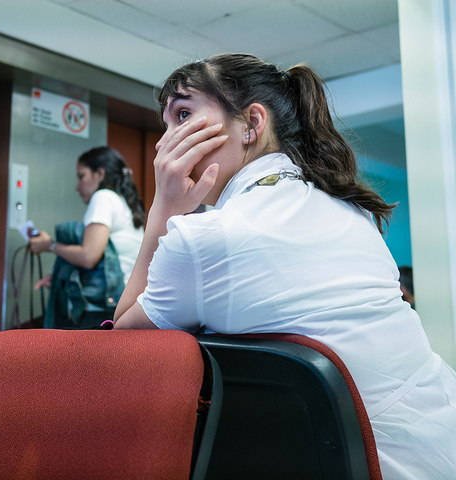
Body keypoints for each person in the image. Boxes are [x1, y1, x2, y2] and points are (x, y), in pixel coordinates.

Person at [113, 53, 456, 478]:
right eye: (166, 125)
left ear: (252, 124)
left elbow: (124, 342)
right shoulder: (350, 209)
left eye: (184, 115)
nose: (167, 144)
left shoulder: (206, 238)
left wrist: (164, 208)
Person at [29, 146, 145, 328]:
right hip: (124, 303)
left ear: (99, 174)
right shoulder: (125, 203)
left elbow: (88, 256)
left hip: (102, 309)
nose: (77, 186)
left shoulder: (103, 197)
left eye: (81, 176)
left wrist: (48, 245)